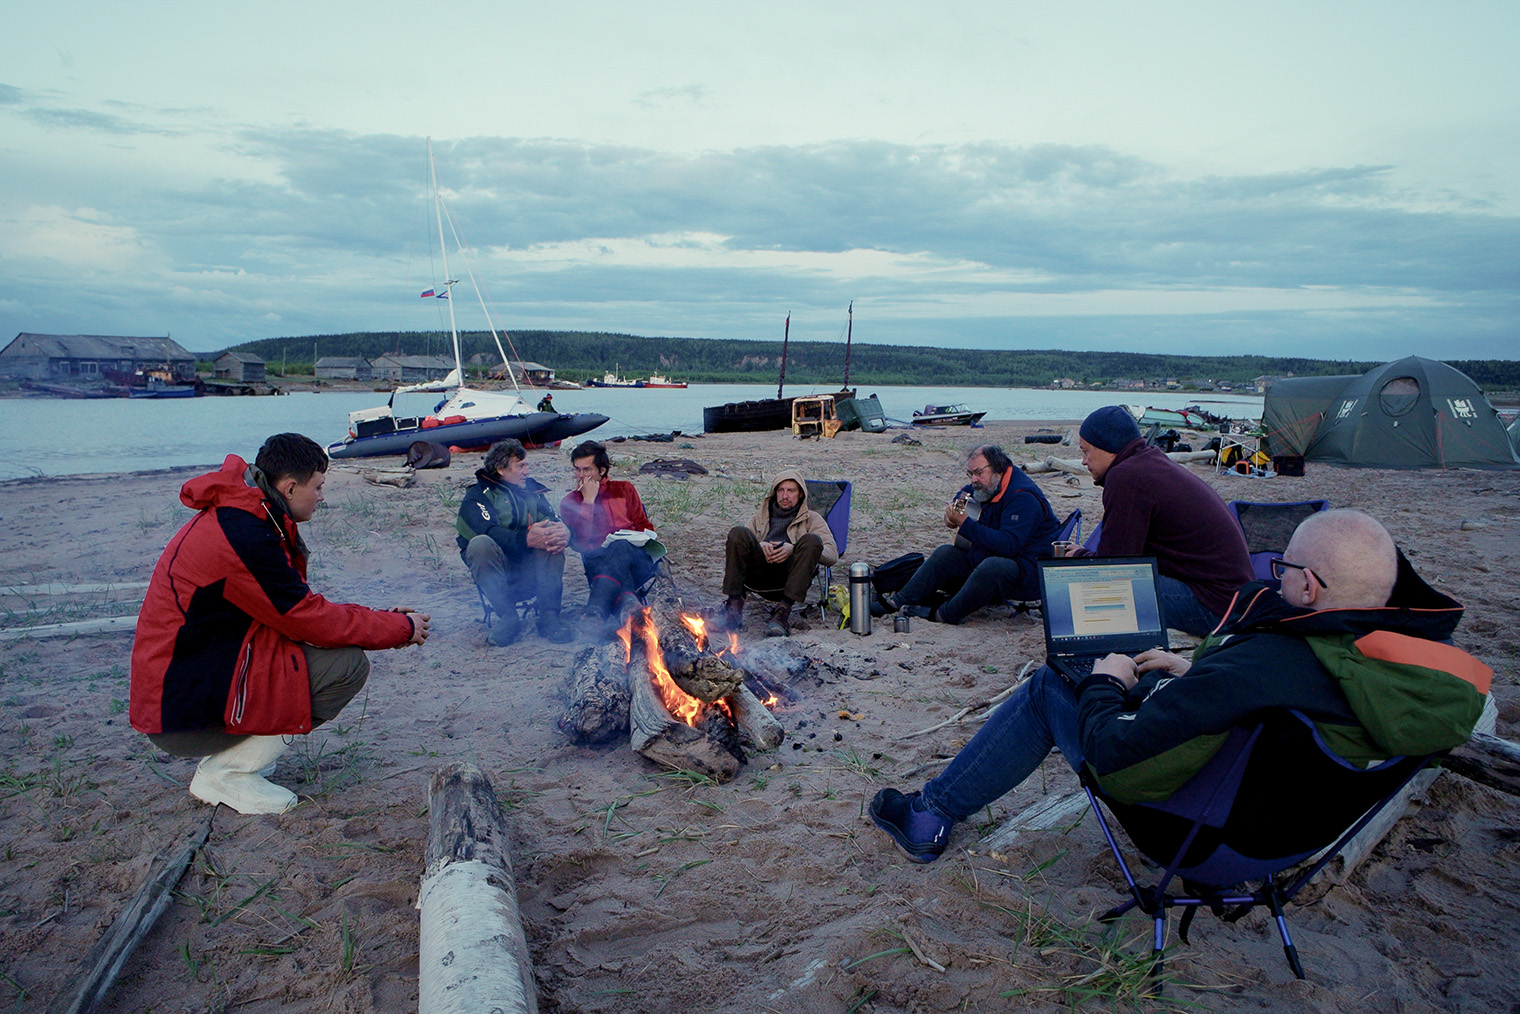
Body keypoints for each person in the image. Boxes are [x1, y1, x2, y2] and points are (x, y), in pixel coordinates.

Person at [869, 509, 1488, 863]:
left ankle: (930, 817)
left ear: (1312, 589)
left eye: (1283, 571)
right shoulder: (1402, 669)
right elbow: (1275, 706)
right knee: (1113, 675)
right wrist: (1201, 676)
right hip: (1281, 843)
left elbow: (1114, 752)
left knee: (1052, 684)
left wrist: (1107, 684)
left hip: (1191, 833)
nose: (1274, 582)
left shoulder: (1265, 662)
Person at [130, 433, 431, 816]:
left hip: (194, 677)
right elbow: (306, 618)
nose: (322, 497)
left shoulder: (252, 514)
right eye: (318, 486)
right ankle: (229, 773)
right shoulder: (242, 533)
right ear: (290, 487)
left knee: (322, 651)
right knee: (345, 667)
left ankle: (240, 757)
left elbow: (295, 609)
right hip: (178, 709)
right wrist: (398, 629)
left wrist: (384, 619)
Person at [1064, 405, 1253, 636]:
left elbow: (1115, 567)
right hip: (1237, 598)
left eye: (1086, 451)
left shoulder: (1126, 477)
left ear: (1108, 447)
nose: (1083, 461)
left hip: (1217, 606)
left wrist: (1078, 557)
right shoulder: (1149, 463)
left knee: (1098, 592)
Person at [878, 444, 1061, 624]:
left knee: (993, 566)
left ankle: (944, 614)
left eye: (978, 473)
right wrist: (953, 512)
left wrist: (965, 523)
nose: (974, 479)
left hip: (1028, 572)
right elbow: (965, 492)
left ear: (998, 469)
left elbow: (1008, 545)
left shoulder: (1023, 496)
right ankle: (898, 601)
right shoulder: (992, 484)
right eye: (970, 473)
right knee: (945, 554)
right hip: (991, 561)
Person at [456, 438, 575, 646]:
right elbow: (489, 531)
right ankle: (508, 617)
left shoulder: (533, 492)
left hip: (532, 572)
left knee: (551, 535)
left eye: (526, 465)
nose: (527, 471)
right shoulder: (477, 497)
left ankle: (549, 616)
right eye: (521, 466)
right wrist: (525, 538)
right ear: (501, 469)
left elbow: (554, 519)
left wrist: (564, 531)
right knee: (480, 543)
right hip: (499, 575)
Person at [721, 470, 839, 637]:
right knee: (738, 533)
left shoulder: (812, 519)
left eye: (791, 491)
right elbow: (741, 545)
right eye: (781, 490)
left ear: (800, 494)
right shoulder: (760, 517)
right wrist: (760, 545)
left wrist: (794, 548)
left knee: (812, 540)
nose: (785, 495)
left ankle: (782, 612)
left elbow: (832, 555)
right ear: (774, 493)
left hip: (791, 577)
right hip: (759, 575)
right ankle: (734, 606)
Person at [559, 440, 658, 638]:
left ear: (602, 470)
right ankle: (629, 603)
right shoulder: (571, 502)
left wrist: (651, 547)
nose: (581, 476)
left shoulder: (624, 489)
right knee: (614, 555)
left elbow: (644, 527)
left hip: (635, 559)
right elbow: (580, 542)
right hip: (598, 563)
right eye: (577, 470)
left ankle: (595, 610)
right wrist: (588, 501)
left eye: (587, 470)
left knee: (620, 544)